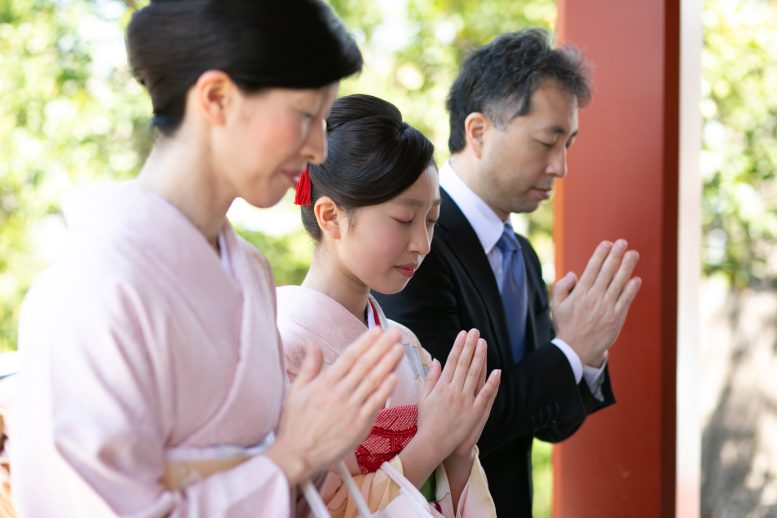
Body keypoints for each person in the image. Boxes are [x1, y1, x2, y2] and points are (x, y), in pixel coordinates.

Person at [10, 2, 405, 516]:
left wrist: (310, 452)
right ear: (216, 98)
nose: (318, 149)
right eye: (307, 116)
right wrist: (287, 457)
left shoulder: (251, 272)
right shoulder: (94, 283)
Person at [374, 29, 643, 517]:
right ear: (478, 132)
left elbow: (549, 424)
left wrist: (587, 352)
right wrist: (569, 351)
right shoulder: (416, 248)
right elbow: (462, 422)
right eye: (547, 141)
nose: (560, 166)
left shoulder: (521, 251)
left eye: (570, 144)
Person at [276, 94, 499, 517]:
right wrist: (430, 442)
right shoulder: (283, 350)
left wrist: (457, 453)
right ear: (330, 216)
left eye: (431, 220)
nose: (423, 244)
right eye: (403, 219)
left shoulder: (406, 345)